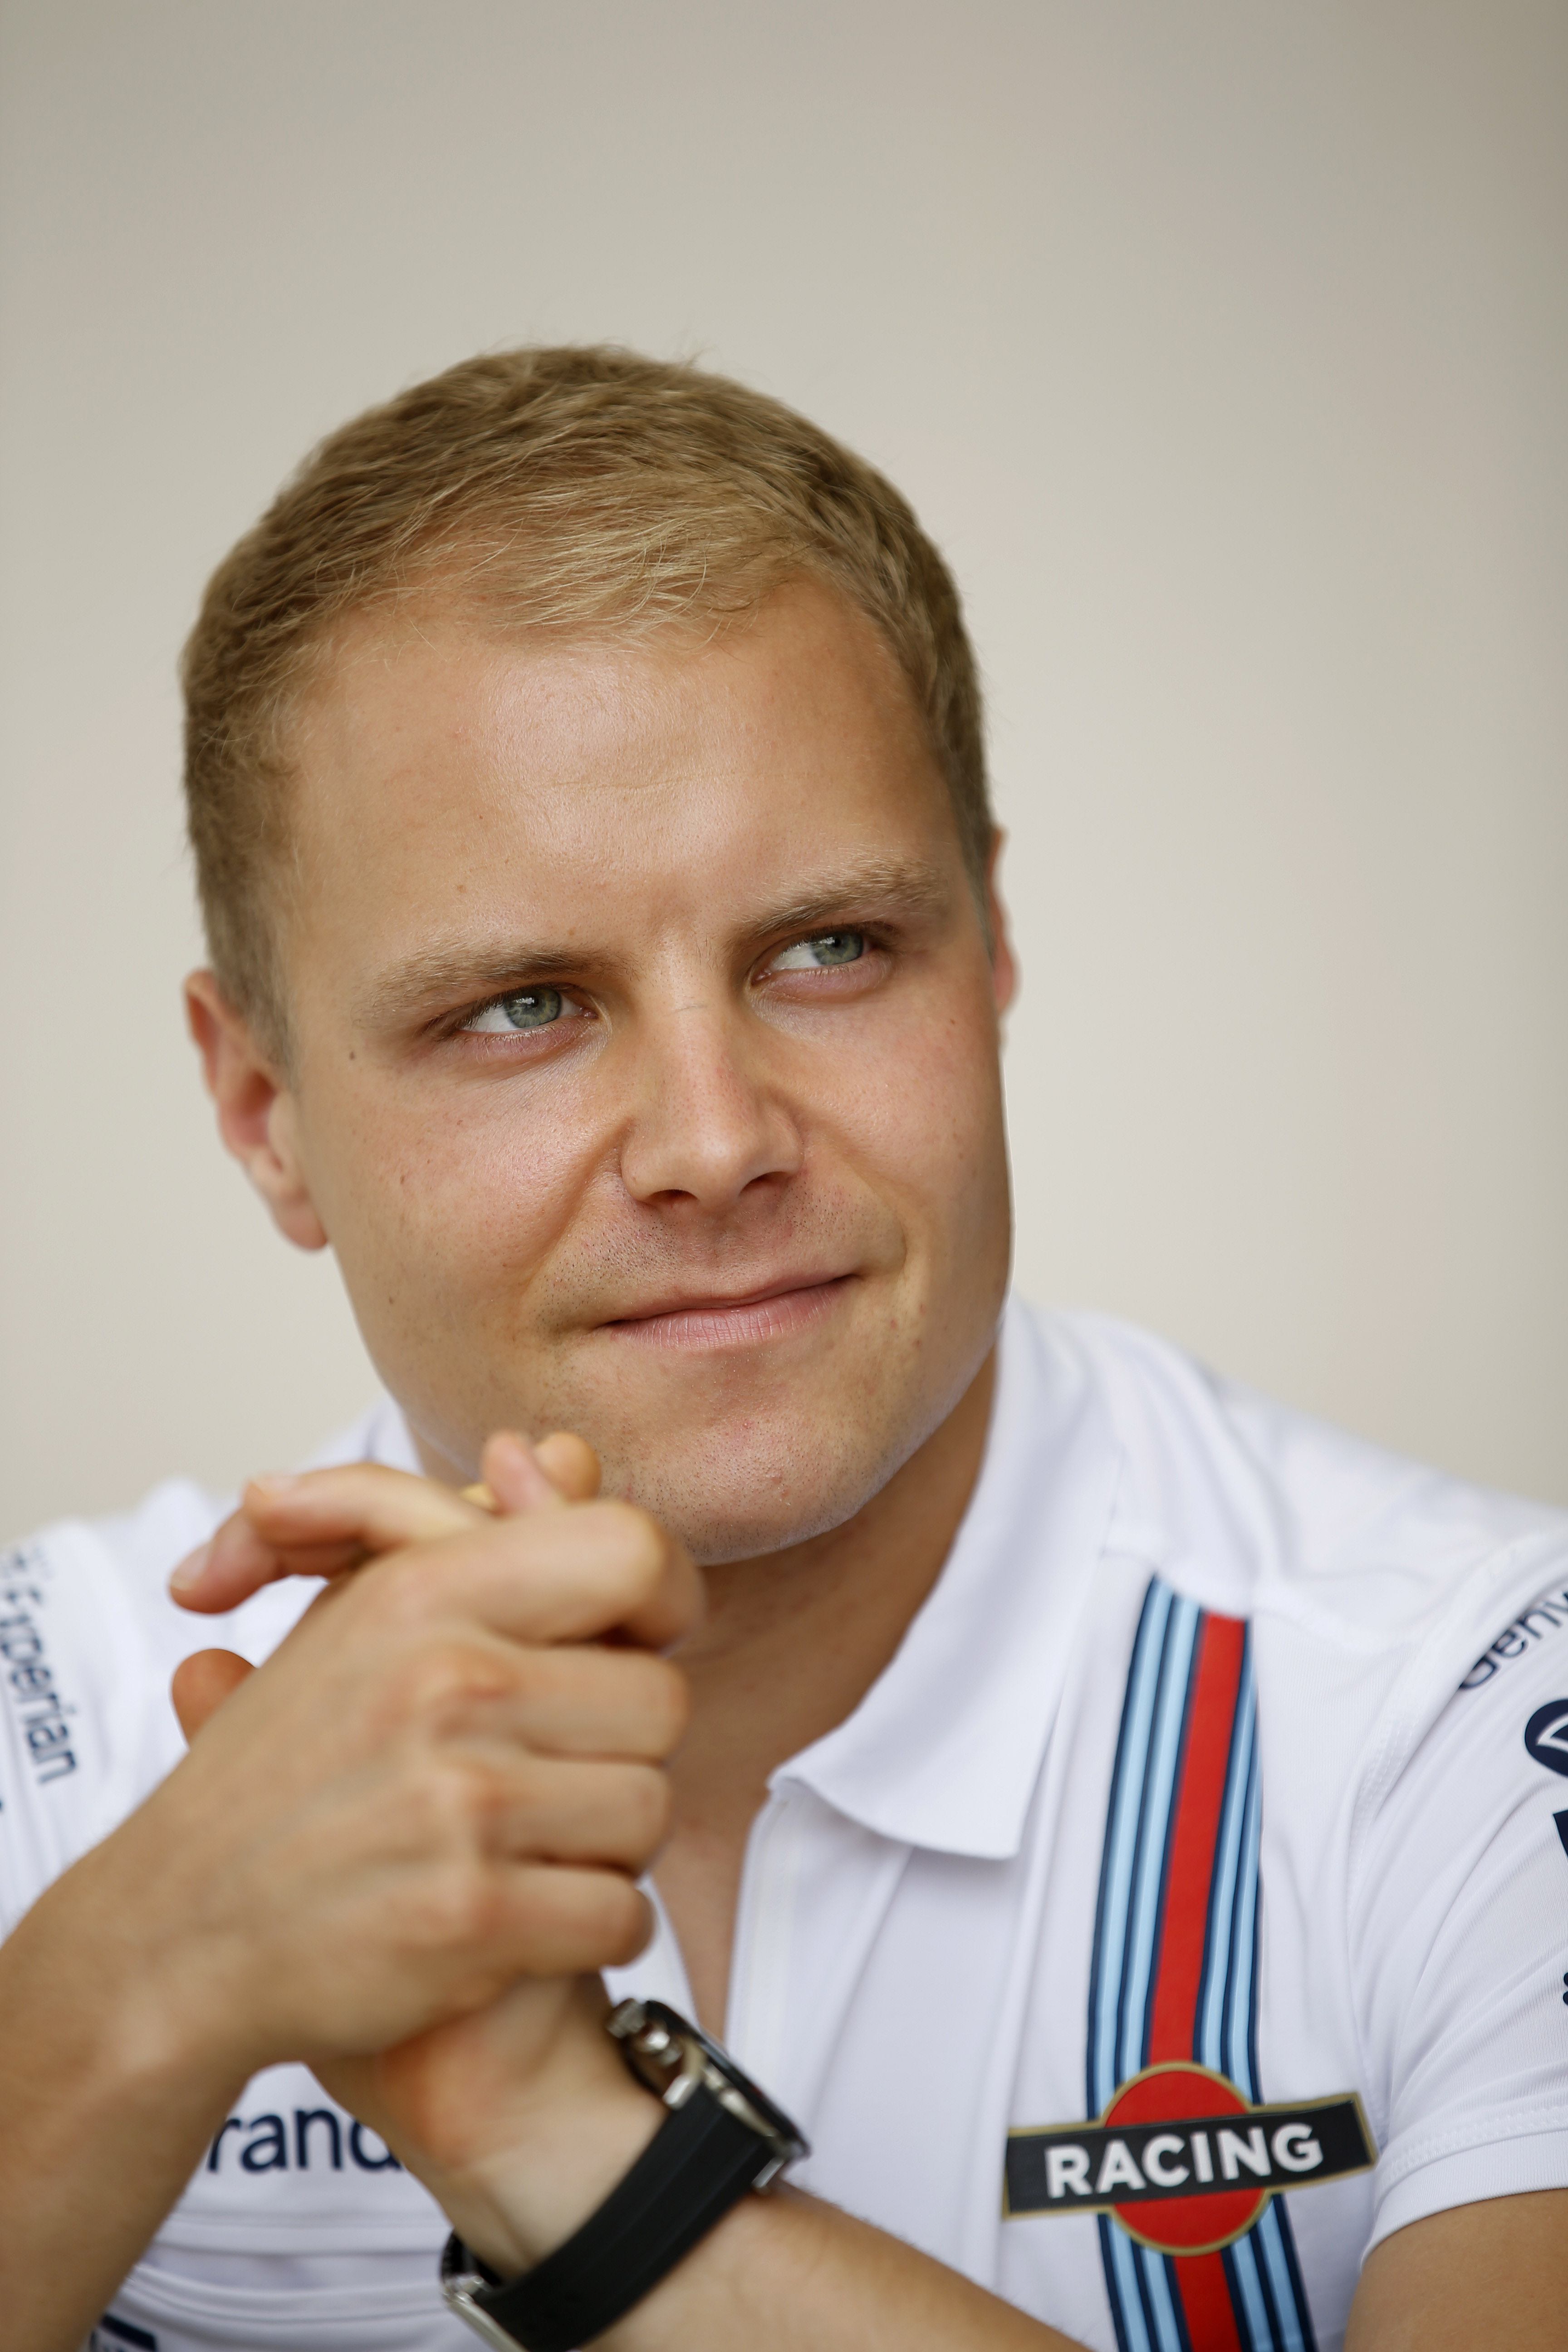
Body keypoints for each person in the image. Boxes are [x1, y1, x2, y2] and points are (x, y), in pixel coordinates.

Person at [1, 348, 1565, 2352]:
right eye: (521, 1004)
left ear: (991, 949)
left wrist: (566, 2155)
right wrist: (145, 1972)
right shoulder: (53, 1758)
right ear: (261, 1108)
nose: (716, 1139)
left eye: (830, 948)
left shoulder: (1475, 1716)